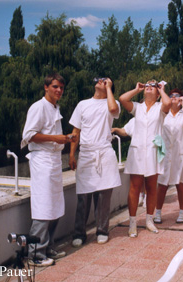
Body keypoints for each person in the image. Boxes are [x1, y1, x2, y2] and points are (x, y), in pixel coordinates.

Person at [21, 73, 74, 266]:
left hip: (53, 161)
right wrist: (55, 138)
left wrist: (65, 139)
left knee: (55, 204)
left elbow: (53, 135)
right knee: (43, 206)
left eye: (61, 87)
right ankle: (35, 253)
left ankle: (47, 245)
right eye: (55, 87)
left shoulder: (55, 108)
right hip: (41, 161)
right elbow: (29, 135)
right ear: (46, 87)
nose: (59, 90)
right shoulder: (38, 107)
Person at [68, 77, 122, 247]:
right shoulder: (83, 104)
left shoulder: (112, 103)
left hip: (104, 152)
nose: (101, 81)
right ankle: (79, 232)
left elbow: (113, 110)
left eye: (105, 80)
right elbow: (76, 130)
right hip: (86, 153)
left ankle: (102, 230)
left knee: (104, 195)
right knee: (83, 196)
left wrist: (109, 89)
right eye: (100, 80)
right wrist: (71, 154)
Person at [119, 79, 171, 237]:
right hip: (137, 151)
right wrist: (137, 89)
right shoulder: (138, 108)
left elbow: (167, 102)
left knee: (151, 187)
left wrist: (161, 88)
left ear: (157, 92)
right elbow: (122, 99)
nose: (149, 88)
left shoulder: (159, 109)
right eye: (147, 86)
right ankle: (133, 222)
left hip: (153, 151)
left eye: (152, 86)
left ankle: (149, 220)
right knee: (135, 187)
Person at [154, 89, 183, 224]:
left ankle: (182, 213)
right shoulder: (163, 114)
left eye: (177, 96)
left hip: (179, 153)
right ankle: (157, 212)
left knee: (181, 184)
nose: (174, 97)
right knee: (162, 184)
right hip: (165, 153)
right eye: (172, 96)